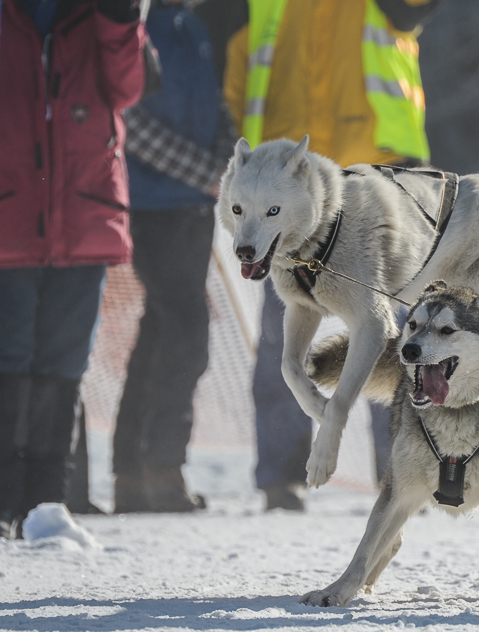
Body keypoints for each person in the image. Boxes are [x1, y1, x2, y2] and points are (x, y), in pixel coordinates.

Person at [223, 0, 438, 510]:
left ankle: (405, 471)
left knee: (397, 332)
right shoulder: (266, 9)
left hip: (377, 178)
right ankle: (281, 477)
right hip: (292, 190)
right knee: (285, 331)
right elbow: (236, 90)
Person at [0, 0, 145, 539]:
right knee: (8, 358)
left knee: (62, 364)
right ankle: (4, 499)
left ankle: (45, 503)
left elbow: (128, 89)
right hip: (10, 216)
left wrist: (121, 18)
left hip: (83, 214)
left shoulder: (102, 12)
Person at [111, 0, 236, 513]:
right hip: (150, 206)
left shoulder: (193, 27)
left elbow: (217, 106)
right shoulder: (135, 25)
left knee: (162, 330)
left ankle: (133, 476)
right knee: (187, 331)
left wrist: (230, 166)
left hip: (195, 207)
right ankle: (160, 468)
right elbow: (130, 122)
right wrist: (204, 173)